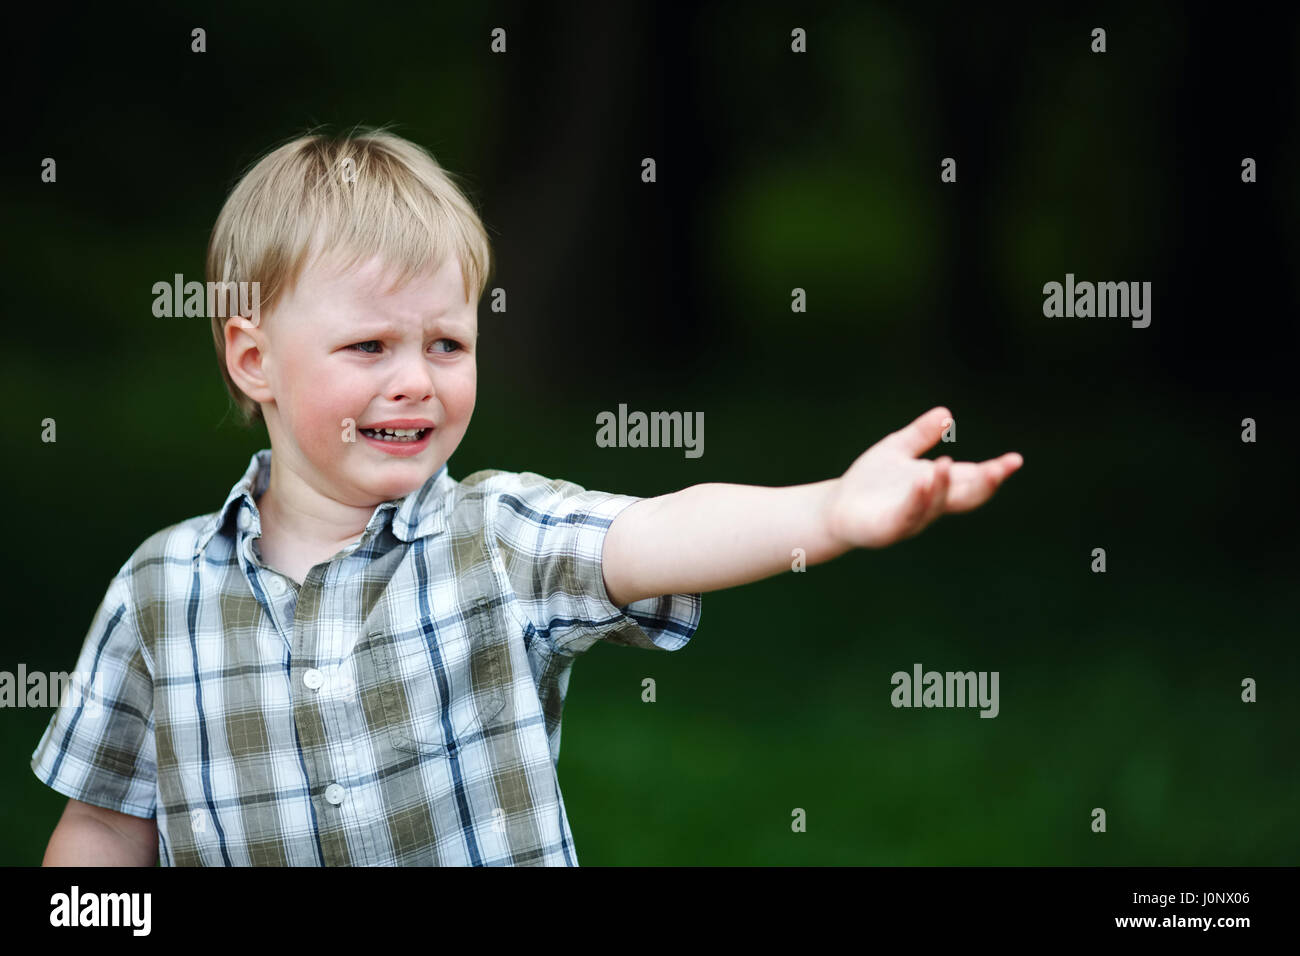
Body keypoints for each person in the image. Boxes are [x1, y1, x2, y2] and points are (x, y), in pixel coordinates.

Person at [32, 129, 1022, 866]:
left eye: (446, 344)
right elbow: (107, 821)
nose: (416, 379)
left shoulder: (495, 537)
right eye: (369, 345)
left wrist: (829, 511)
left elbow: (658, 529)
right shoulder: (160, 588)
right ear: (254, 358)